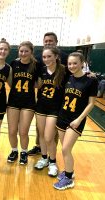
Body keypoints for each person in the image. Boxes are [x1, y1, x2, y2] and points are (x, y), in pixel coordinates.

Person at [54, 52, 97, 190]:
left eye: (75, 63)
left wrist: (79, 119)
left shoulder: (91, 81)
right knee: (65, 149)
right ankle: (69, 172)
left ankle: (68, 179)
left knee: (66, 149)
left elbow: (91, 104)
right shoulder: (68, 78)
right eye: (70, 63)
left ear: (82, 63)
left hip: (76, 120)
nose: (72, 66)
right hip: (62, 117)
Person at [28, 32, 68, 156]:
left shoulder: (65, 59)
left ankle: (51, 155)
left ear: (56, 42)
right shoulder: (39, 58)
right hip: (42, 99)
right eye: (46, 41)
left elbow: (74, 72)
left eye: (50, 41)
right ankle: (39, 147)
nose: (48, 43)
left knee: (51, 133)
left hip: (56, 102)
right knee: (40, 129)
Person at [34, 46, 67, 177]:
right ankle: (44, 158)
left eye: (49, 56)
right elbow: (36, 84)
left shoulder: (64, 71)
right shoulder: (41, 70)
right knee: (41, 135)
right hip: (41, 106)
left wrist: (89, 75)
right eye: (44, 57)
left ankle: (52, 162)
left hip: (55, 108)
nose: (46, 59)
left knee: (49, 137)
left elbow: (77, 75)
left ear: (56, 57)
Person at [6, 41, 39, 164]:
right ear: (18, 51)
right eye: (21, 51)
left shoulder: (36, 65)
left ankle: (24, 152)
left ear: (31, 52)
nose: (23, 53)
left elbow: (38, 83)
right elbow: (10, 82)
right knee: (12, 130)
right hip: (14, 100)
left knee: (23, 131)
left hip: (28, 102)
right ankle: (14, 150)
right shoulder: (14, 63)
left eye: (26, 51)